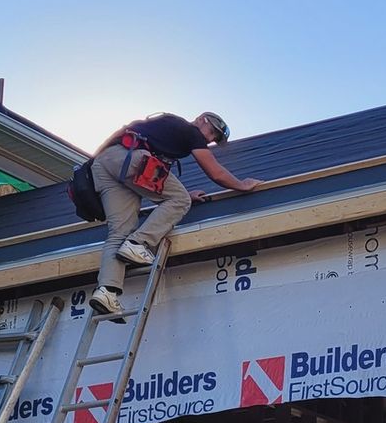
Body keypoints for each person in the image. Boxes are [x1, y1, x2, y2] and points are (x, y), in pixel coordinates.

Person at [88, 111, 262, 316]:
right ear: (201, 120)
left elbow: (151, 181)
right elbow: (216, 173)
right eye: (212, 132)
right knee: (180, 201)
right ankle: (137, 243)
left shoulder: (166, 130)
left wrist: (181, 194)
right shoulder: (191, 131)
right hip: (131, 157)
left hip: (104, 164)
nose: (210, 139)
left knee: (119, 231)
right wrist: (242, 185)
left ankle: (106, 291)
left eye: (215, 138)